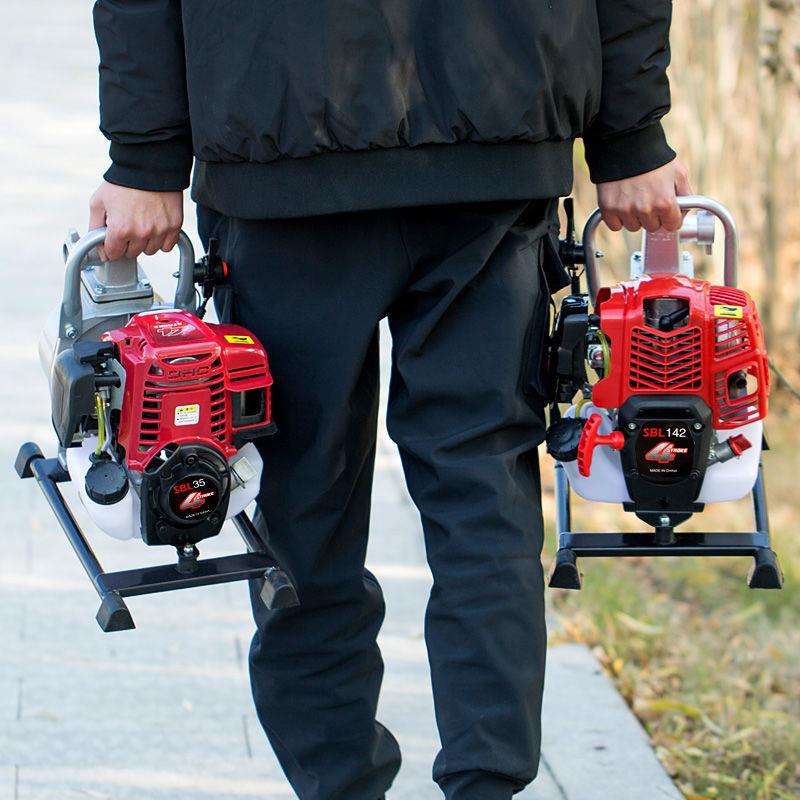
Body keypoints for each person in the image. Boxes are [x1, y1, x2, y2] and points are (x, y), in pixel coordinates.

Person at [90, 3, 691, 798]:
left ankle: (344, 784)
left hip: (283, 138)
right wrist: (630, 136)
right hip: (493, 130)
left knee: (303, 509)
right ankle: (486, 784)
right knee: (480, 489)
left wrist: (145, 156)